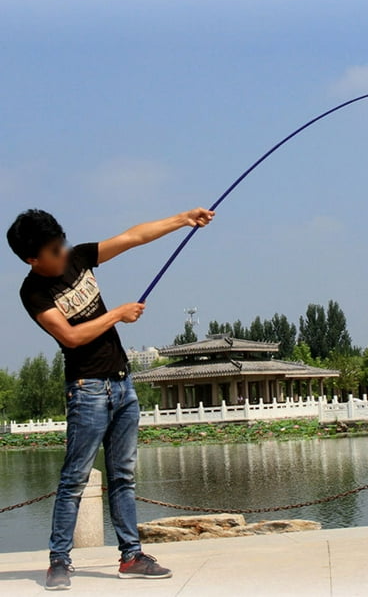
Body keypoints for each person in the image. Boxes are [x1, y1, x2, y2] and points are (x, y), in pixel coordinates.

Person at [6, 207, 214, 591]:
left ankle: (131, 556)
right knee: (74, 480)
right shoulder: (32, 292)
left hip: (122, 384)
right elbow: (69, 337)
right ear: (32, 259)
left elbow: (133, 237)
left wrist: (183, 219)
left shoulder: (78, 256)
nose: (64, 252)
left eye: (62, 243)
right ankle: (58, 563)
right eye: (54, 250)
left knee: (123, 477)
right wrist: (117, 314)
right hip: (87, 390)